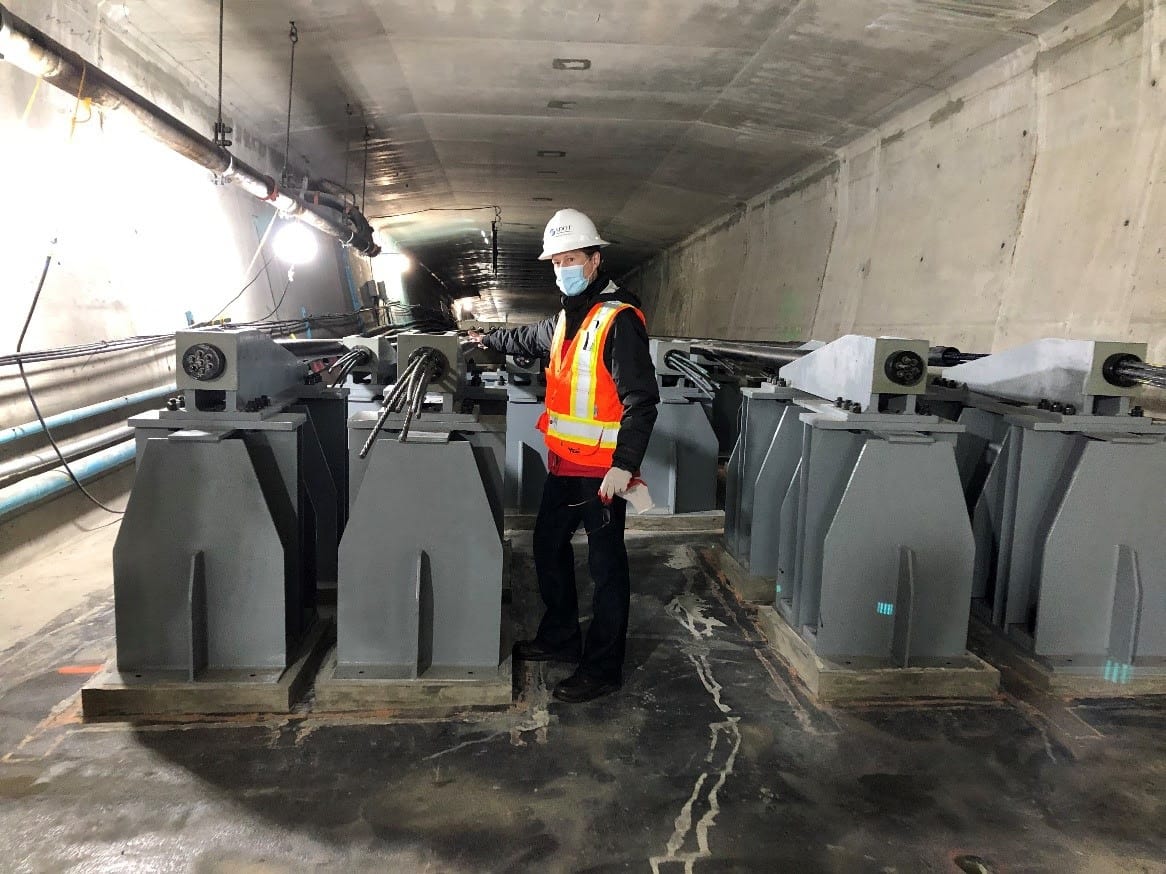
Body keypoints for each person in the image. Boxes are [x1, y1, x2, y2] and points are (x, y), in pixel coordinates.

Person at [470, 208, 659, 703]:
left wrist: (624, 465)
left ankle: (602, 668)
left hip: (602, 474)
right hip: (565, 466)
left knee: (605, 567)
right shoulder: (564, 319)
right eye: (555, 262)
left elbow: (642, 399)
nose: (562, 269)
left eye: (571, 259)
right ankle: (559, 638)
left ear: (595, 260)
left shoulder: (618, 320)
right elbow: (526, 339)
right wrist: (484, 336)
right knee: (547, 546)